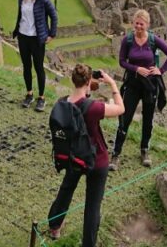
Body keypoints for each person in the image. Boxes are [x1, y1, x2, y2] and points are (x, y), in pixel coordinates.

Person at [45, 65, 125, 245]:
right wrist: (112, 84)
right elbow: (121, 109)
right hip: (97, 160)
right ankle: (88, 243)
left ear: (73, 80)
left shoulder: (62, 103)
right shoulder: (94, 107)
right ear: (89, 82)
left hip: (74, 156)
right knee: (92, 206)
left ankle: (54, 225)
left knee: (66, 190)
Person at [110, 9, 167, 170]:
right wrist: (136, 69)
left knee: (148, 119)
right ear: (133, 23)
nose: (139, 26)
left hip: (149, 85)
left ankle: (144, 150)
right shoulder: (128, 40)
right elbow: (122, 61)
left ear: (147, 25)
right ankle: (116, 153)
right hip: (133, 84)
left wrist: (160, 70)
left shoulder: (153, 40)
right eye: (137, 23)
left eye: (142, 24)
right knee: (124, 118)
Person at [11, 0, 58, 112]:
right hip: (23, 36)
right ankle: (29, 94)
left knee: (38, 68)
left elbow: (53, 15)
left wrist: (52, 34)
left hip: (37, 39)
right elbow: (21, 16)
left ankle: (41, 98)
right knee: (26, 66)